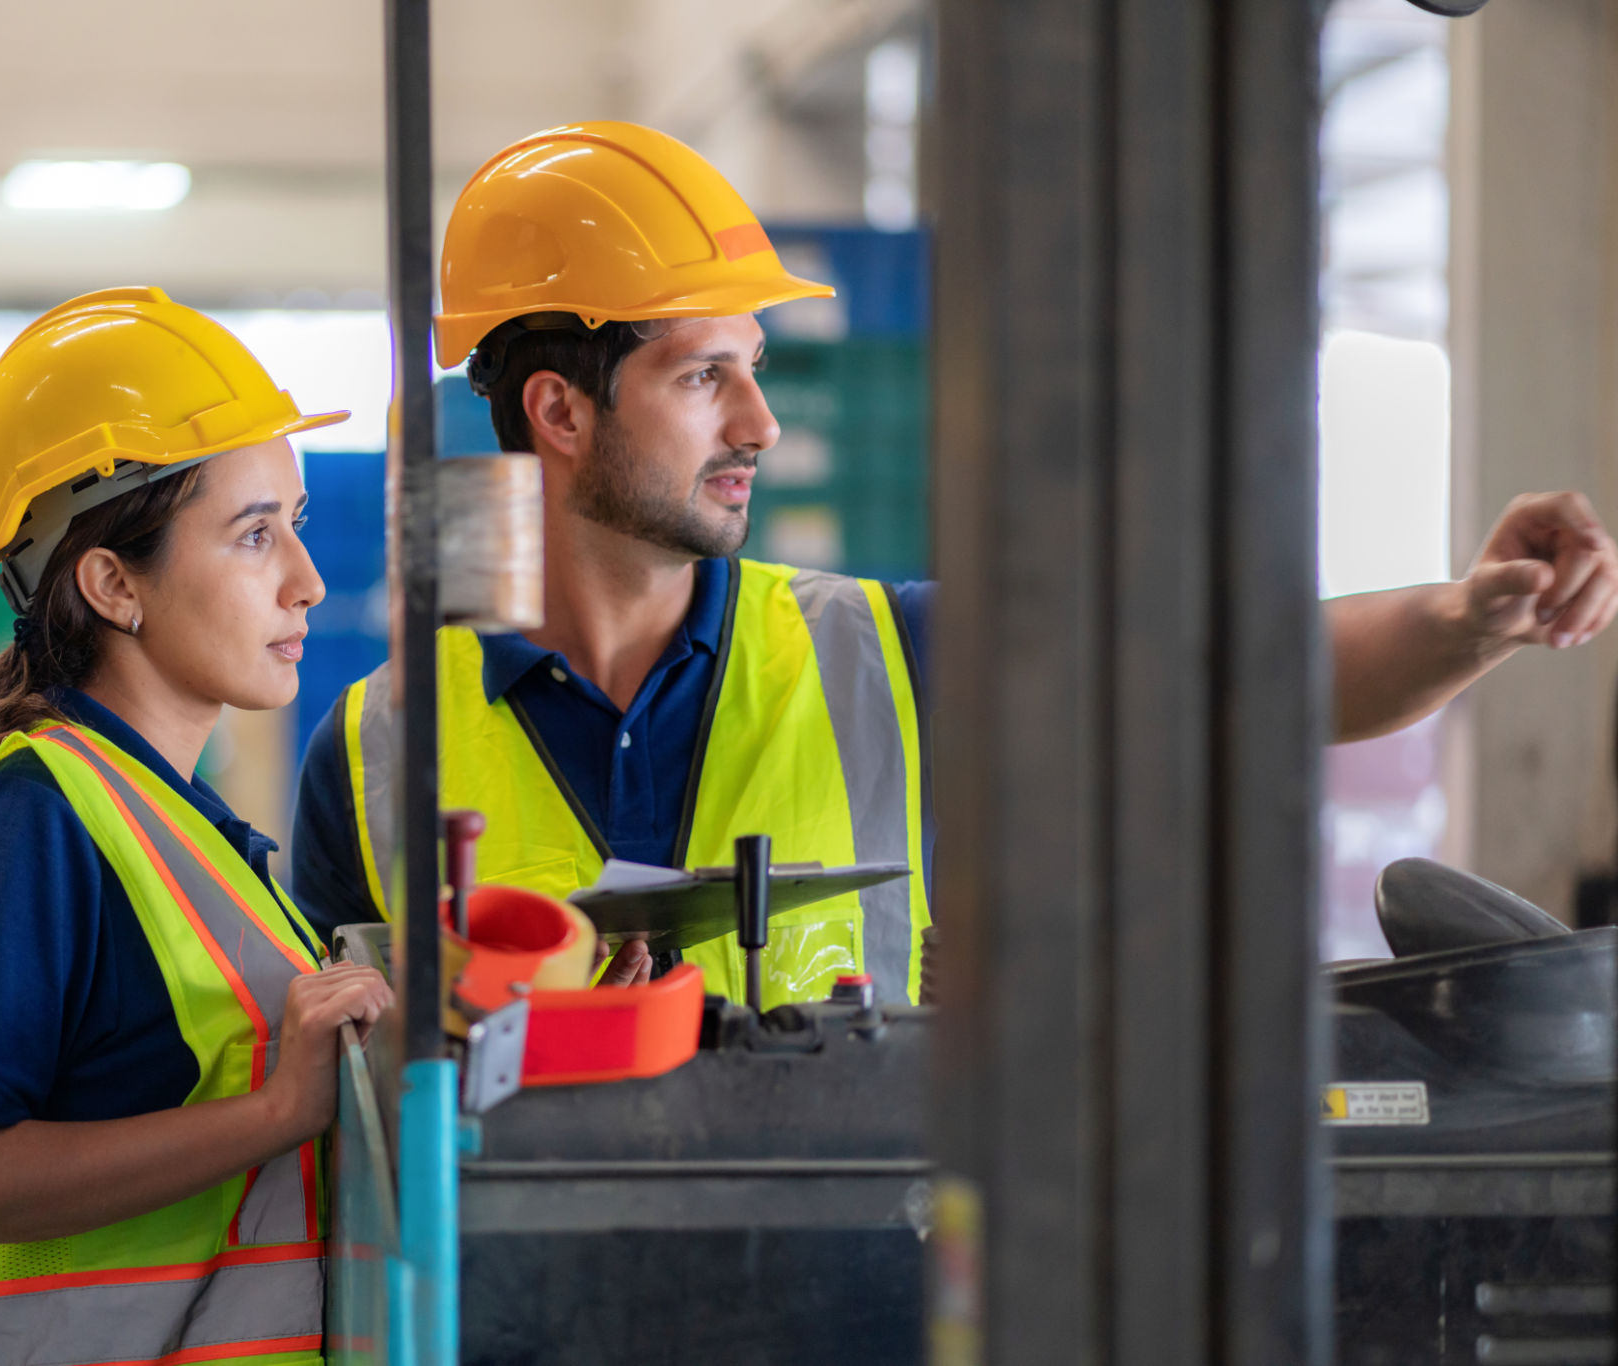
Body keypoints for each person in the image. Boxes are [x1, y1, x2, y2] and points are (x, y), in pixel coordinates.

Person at [290, 121, 1618, 1009]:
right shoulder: (373, 753)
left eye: (754, 372)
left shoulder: (888, 656)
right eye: (706, 377)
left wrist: (1466, 614)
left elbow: (1247, 684)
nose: (760, 424)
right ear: (560, 414)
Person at [0, 287, 392, 1366]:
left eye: (292, 525)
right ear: (111, 583)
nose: (306, 582)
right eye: (253, 536)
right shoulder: (29, 821)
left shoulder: (164, 814)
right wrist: (278, 1108)